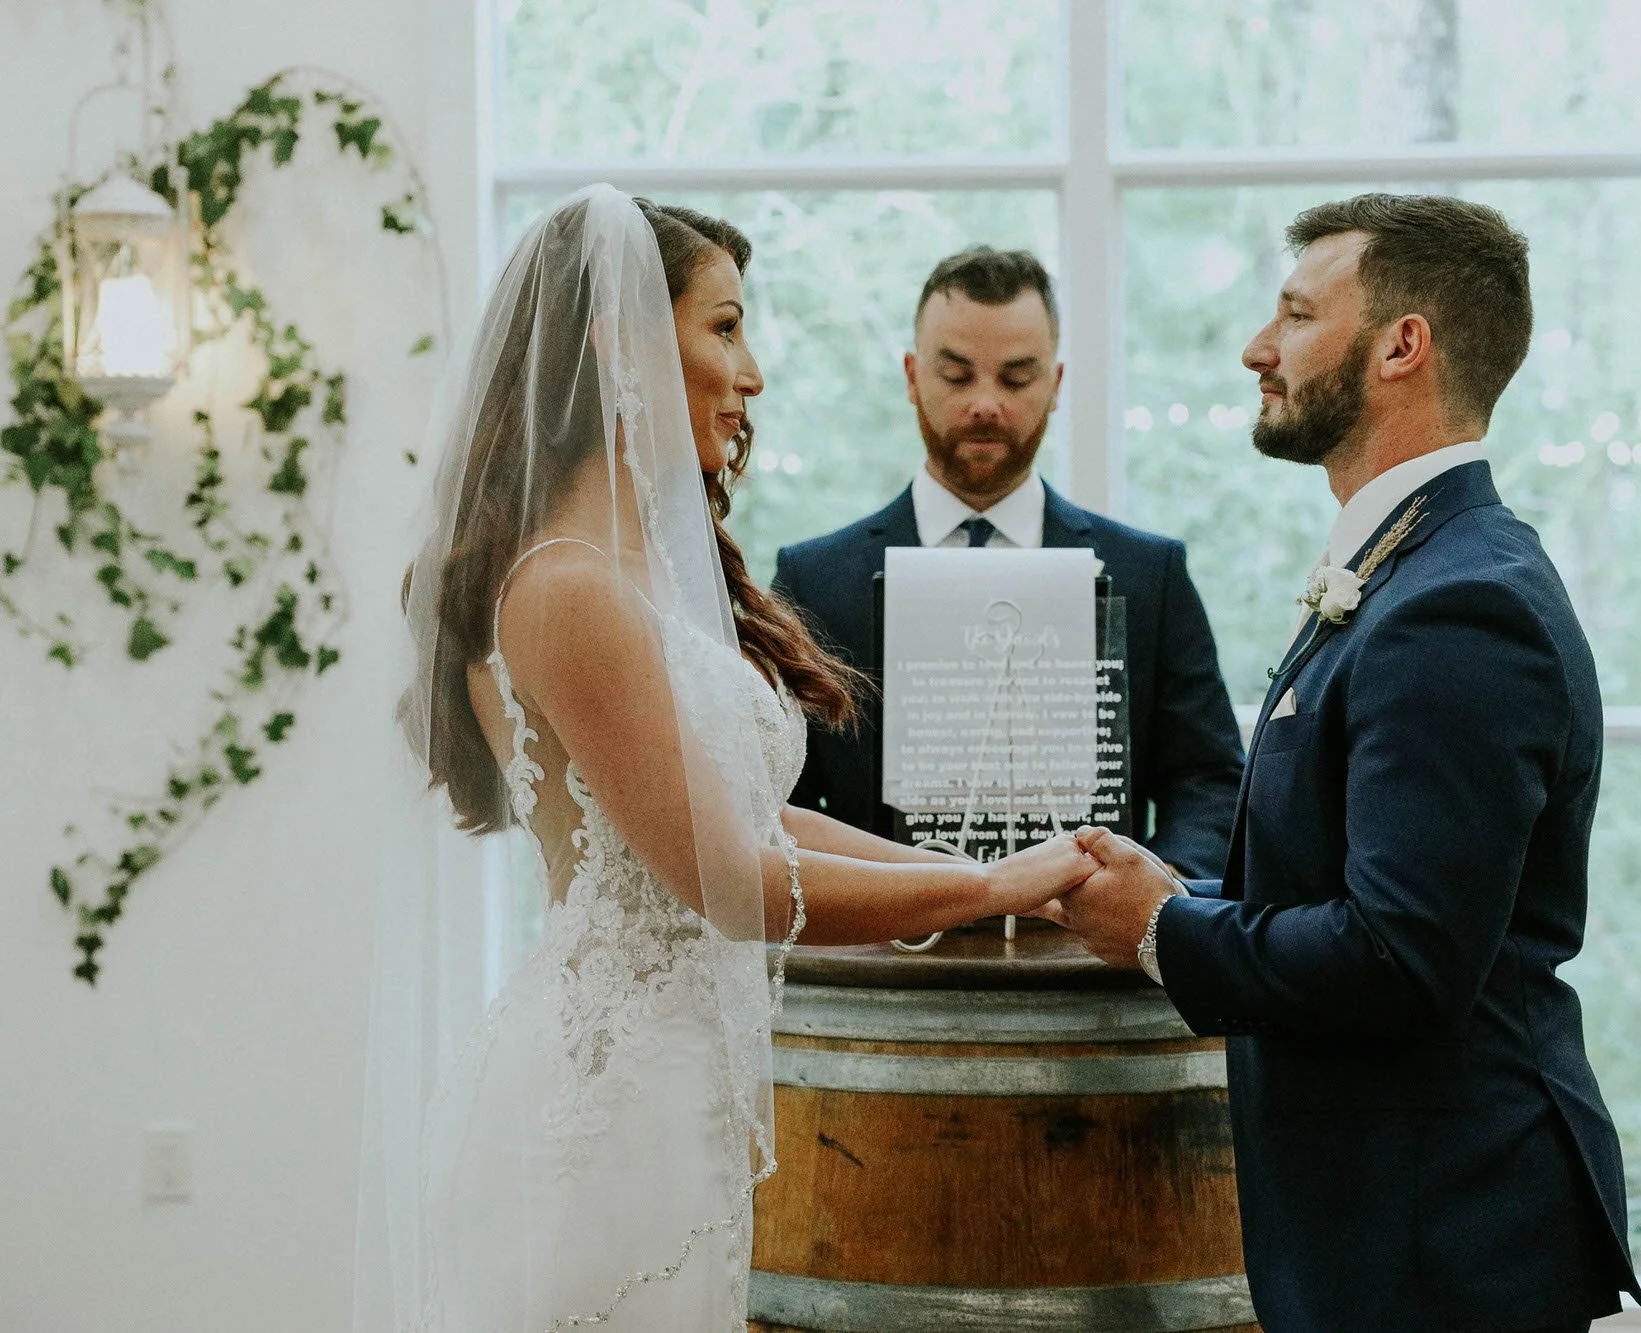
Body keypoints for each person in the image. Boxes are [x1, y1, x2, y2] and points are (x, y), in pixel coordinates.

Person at [361, 187, 1097, 1333]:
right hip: (607, 1104)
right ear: (621, 343)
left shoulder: (642, 574)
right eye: (725, 326)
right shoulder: (568, 589)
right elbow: (731, 881)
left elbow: (752, 818)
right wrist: (987, 889)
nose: (750, 373)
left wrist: (973, 877)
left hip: (675, 1091)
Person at [1050, 195, 1641, 1332]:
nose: (1256, 348)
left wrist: (1161, 930)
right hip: (1387, 1227)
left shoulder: (1461, 604)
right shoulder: (1410, 566)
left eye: (1294, 314)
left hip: (1441, 1241)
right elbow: (1354, 880)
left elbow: (1399, 957)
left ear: (1400, 345)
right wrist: (1178, 891)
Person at [773, 247, 1244, 878]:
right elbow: (780, 798)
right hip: (883, 935)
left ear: (1056, 384)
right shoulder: (812, 583)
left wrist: (1152, 892)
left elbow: (1208, 783)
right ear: (912, 376)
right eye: (957, 376)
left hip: (1098, 936)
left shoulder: (1149, 574)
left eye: (1016, 378)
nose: (986, 404)